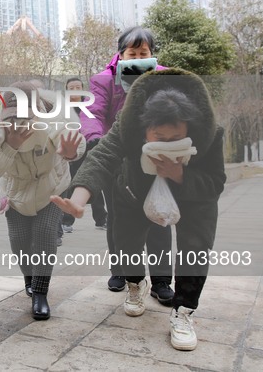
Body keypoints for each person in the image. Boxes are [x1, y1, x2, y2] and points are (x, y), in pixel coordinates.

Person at [52, 68, 226, 351]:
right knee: (126, 243)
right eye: (159, 137)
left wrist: (180, 174)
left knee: (196, 248)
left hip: (194, 200)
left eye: (175, 139)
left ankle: (183, 312)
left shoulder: (211, 133)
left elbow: (216, 183)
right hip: (134, 190)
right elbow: (102, 158)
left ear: (189, 130)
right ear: (144, 129)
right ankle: (136, 284)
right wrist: (79, 199)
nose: (165, 145)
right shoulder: (127, 125)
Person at [79, 26, 174, 304]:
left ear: (151, 54)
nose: (137, 57)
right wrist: (95, 139)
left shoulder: (164, 77)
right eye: (132, 53)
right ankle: (121, 270)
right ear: (120, 54)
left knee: (160, 215)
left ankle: (160, 280)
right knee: (118, 218)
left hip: (156, 155)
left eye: (143, 53)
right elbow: (93, 111)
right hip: (117, 156)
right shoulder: (103, 80)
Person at [0, 81, 86, 320]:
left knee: (45, 233)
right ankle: (29, 276)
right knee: (19, 241)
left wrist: (70, 153)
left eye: (25, 116)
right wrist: (10, 147)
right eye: (13, 116)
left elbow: (75, 143)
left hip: (52, 189)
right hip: (15, 194)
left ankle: (40, 292)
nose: (19, 122)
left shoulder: (53, 118)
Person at [60, 78, 107, 234]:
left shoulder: (90, 105)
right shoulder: (63, 108)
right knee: (70, 184)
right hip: (72, 150)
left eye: (78, 87)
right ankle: (67, 221)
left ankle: (101, 219)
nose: (75, 90)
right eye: (71, 87)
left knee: (94, 182)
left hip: (90, 148)